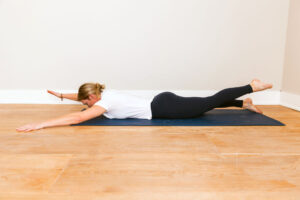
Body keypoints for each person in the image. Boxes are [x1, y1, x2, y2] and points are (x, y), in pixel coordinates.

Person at [16, 79, 273, 132]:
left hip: (164, 109)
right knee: (202, 104)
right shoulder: (101, 92)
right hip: (162, 101)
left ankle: (251, 86)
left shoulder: (105, 103)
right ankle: (244, 103)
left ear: (93, 98)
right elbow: (81, 97)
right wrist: (61, 95)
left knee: (207, 102)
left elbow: (77, 118)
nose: (85, 104)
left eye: (86, 101)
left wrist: (41, 124)